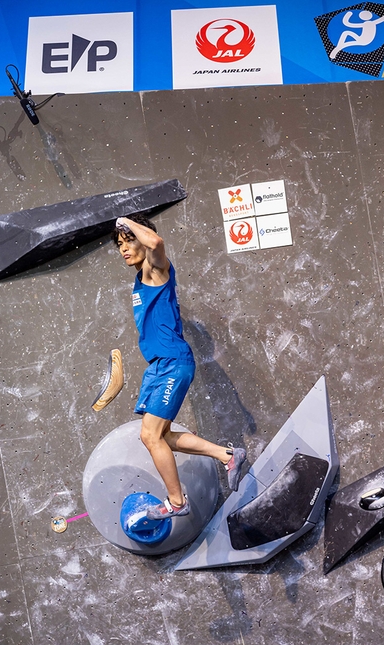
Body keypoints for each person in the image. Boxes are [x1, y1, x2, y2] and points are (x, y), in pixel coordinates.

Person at [113, 213, 247, 520]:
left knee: (150, 436)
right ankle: (227, 455)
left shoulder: (156, 271)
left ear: (141, 236)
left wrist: (128, 222)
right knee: (163, 436)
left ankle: (177, 502)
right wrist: (128, 230)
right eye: (119, 244)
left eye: (128, 240)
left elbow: (156, 242)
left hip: (173, 363)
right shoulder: (140, 279)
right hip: (159, 367)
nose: (123, 248)